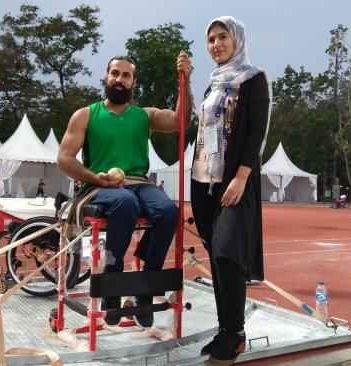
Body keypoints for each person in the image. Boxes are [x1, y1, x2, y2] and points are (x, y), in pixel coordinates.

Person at [57, 52, 192, 328]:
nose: (119, 79)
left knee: (169, 211)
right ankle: (112, 280)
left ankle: (144, 288)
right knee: (125, 202)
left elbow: (182, 121)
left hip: (139, 182)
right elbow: (64, 159)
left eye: (126, 75)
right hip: (99, 185)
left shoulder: (144, 116)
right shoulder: (85, 115)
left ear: (133, 83)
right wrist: (94, 176)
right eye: (115, 73)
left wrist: (186, 80)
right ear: (106, 77)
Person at [189, 16, 271, 364]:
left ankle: (236, 334)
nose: (216, 44)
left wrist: (241, 176)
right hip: (203, 181)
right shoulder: (212, 85)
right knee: (215, 258)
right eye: (211, 39)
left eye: (223, 37)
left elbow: (256, 132)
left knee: (227, 252)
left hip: (235, 180)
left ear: (237, 39)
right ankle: (224, 330)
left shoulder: (254, 78)